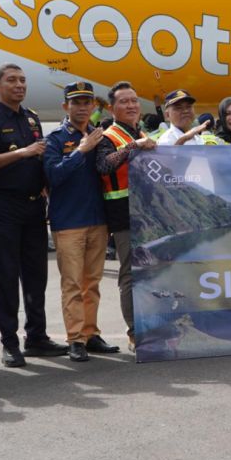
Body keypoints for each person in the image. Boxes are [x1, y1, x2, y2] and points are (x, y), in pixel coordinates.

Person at [0, 63, 69, 367]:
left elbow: (40, 157)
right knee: (6, 275)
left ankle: (36, 337)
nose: (19, 85)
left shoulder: (32, 118)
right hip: (4, 206)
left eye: (23, 80)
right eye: (12, 80)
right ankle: (10, 342)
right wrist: (20, 153)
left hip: (32, 206)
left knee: (36, 273)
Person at [44, 82, 119, 362]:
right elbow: (53, 175)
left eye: (87, 102)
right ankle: (75, 338)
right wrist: (81, 151)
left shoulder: (100, 136)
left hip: (97, 220)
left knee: (93, 283)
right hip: (68, 222)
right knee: (73, 284)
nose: (83, 107)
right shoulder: (55, 139)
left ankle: (90, 333)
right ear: (66, 106)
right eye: (76, 102)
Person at [95, 81, 158, 347]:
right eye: (124, 101)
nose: (131, 105)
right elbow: (103, 165)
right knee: (131, 274)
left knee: (151, 271)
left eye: (134, 100)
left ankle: (153, 324)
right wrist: (134, 148)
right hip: (124, 215)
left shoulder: (140, 132)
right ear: (112, 108)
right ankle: (135, 332)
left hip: (148, 215)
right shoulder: (108, 136)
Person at [156, 89, 223, 146]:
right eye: (178, 108)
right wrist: (183, 139)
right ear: (167, 115)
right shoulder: (166, 141)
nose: (185, 111)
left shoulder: (196, 137)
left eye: (188, 107)